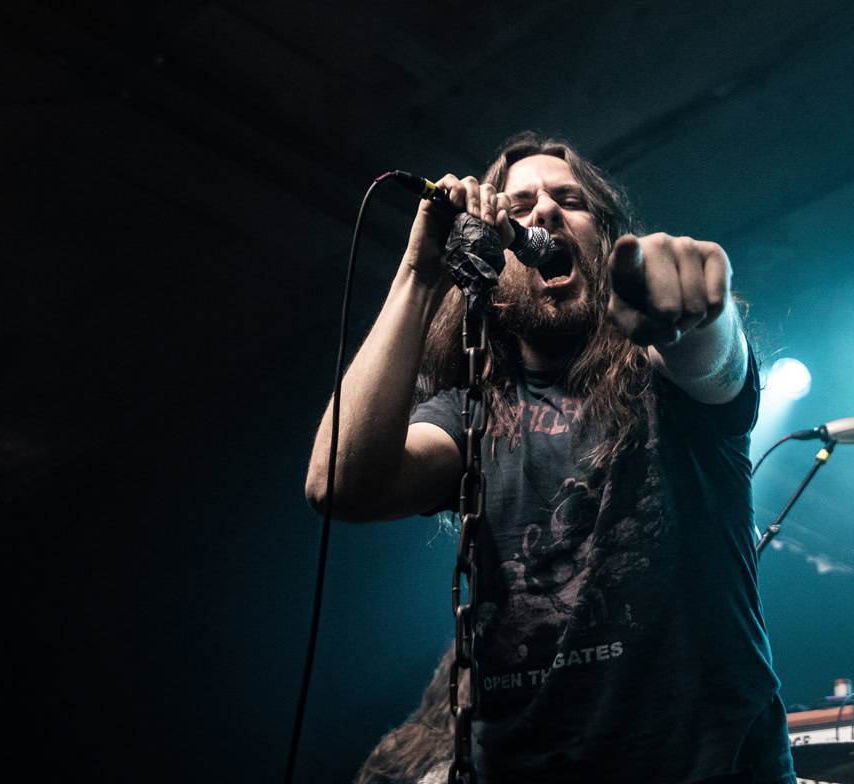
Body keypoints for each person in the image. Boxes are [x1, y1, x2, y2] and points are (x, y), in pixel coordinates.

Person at [305, 132, 795, 783]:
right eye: (519, 203)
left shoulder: (666, 376)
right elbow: (337, 483)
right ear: (492, 255)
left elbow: (714, 359)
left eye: (571, 199)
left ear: (605, 237)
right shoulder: (469, 413)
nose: (543, 210)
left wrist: (699, 314)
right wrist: (422, 272)